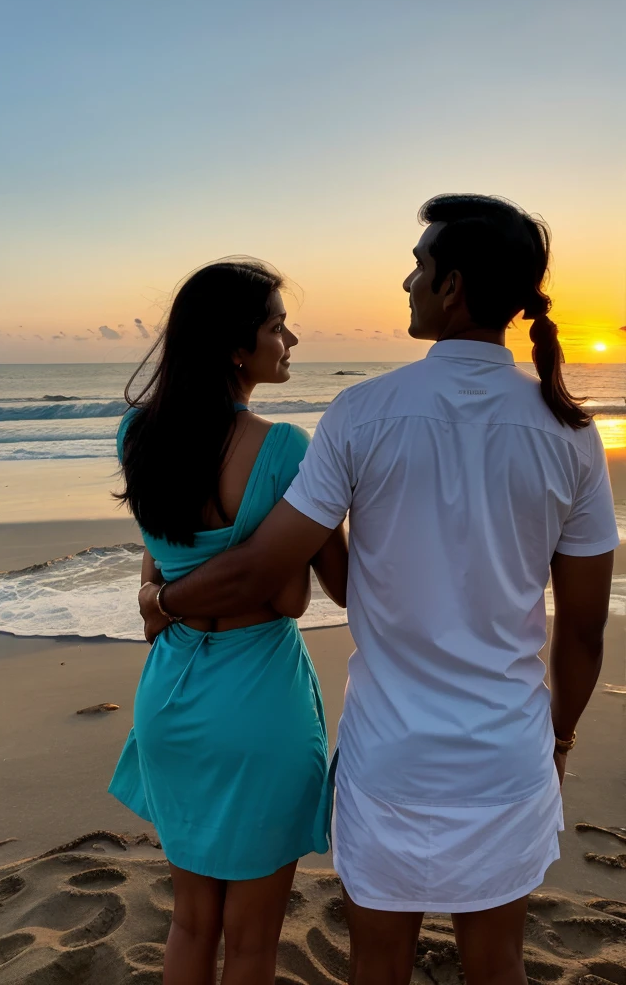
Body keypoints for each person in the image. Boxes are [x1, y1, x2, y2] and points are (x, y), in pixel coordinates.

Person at [139, 197, 619, 985]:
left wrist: (163, 603)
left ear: (452, 287)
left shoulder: (362, 414)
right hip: (505, 755)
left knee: (378, 965)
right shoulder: (571, 433)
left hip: (391, 758)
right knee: (498, 965)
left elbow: (263, 566)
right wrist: (559, 738)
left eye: (419, 266)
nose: (407, 280)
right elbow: (585, 630)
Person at [109, 259, 348, 985]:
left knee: (189, 922)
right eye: (277, 326)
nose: (291, 340)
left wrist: (162, 599)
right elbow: (298, 595)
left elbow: (157, 557)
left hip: (173, 693)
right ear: (236, 347)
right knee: (250, 942)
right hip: (259, 699)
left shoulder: (137, 435)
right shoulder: (285, 448)